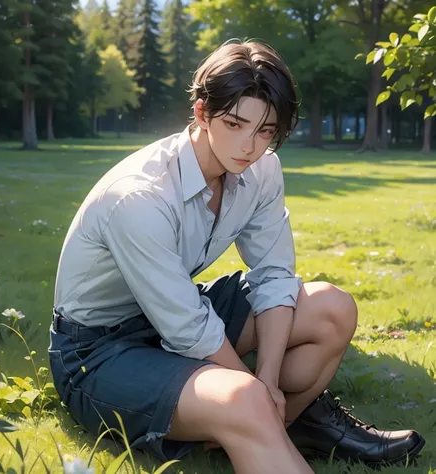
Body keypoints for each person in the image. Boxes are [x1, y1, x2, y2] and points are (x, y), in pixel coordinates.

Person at [49, 39, 425, 473]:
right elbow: (186, 325)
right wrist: (251, 389)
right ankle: (246, 421)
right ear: (202, 113)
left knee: (332, 309)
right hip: (98, 349)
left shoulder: (261, 168)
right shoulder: (138, 198)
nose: (250, 146)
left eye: (266, 131)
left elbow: (274, 274)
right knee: (245, 398)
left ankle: (277, 426)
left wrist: (267, 375)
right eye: (234, 123)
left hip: (176, 310)